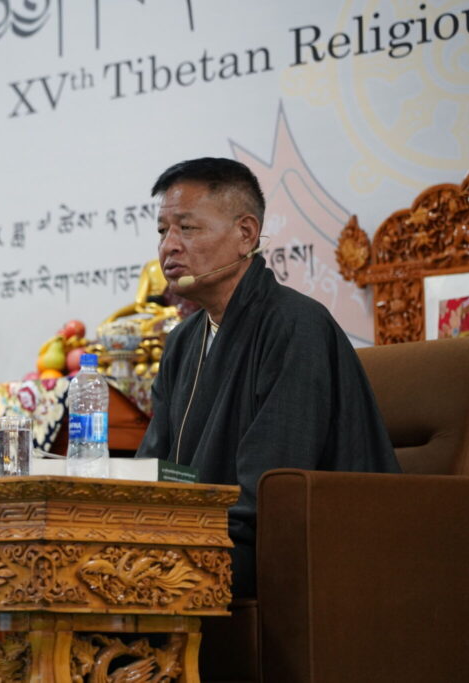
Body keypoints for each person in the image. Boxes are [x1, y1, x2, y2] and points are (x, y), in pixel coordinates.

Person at [135, 158, 400, 597]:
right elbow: (155, 466)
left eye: (188, 228)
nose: (169, 247)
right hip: (203, 537)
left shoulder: (295, 325)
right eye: (163, 231)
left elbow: (269, 489)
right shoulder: (183, 342)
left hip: (288, 546)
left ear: (246, 234)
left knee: (126, 580)